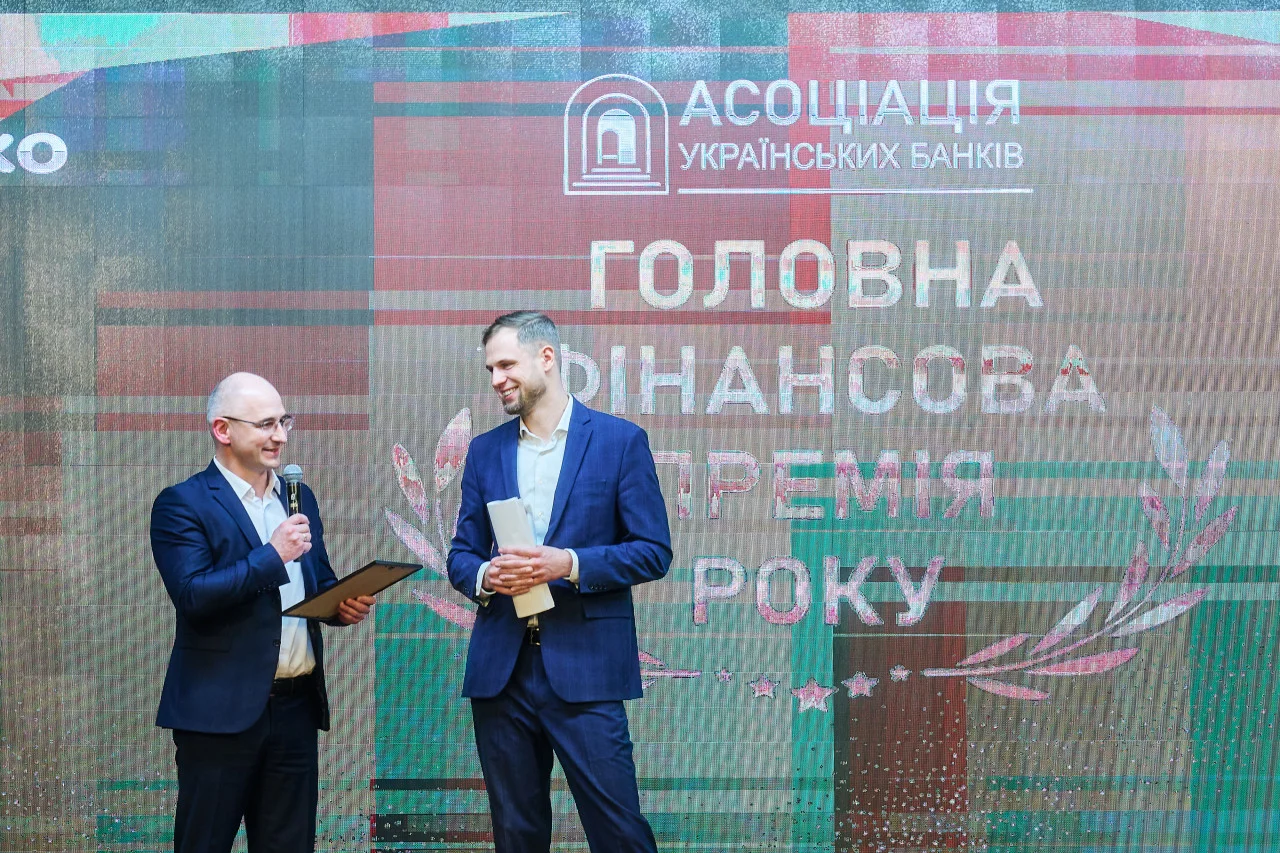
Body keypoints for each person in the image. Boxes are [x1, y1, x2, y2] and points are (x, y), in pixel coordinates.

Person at [447, 311, 672, 853]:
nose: (497, 379)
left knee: (619, 834)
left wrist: (567, 563)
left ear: (546, 357)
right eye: (490, 369)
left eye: (506, 364)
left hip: (587, 670)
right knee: (516, 837)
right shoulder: (485, 451)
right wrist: (486, 574)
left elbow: (653, 551)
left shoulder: (620, 442)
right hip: (501, 675)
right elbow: (461, 556)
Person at [150, 371, 375, 853]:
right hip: (218, 715)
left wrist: (339, 605)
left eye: (284, 421)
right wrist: (272, 555)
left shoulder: (298, 496)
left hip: (295, 709)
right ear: (223, 430)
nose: (280, 436)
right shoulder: (183, 503)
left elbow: (315, 579)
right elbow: (193, 595)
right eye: (266, 424)